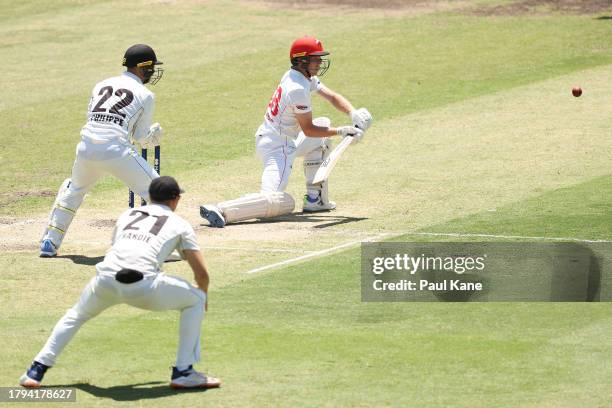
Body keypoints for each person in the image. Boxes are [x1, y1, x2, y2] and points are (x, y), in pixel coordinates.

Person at [20, 176, 221, 389]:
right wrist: (204, 296)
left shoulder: (128, 214)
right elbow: (202, 275)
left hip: (105, 279)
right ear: (176, 199)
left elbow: (120, 248)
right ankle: (184, 372)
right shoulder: (180, 224)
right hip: (143, 287)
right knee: (196, 299)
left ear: (150, 196)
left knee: (75, 316)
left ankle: (36, 370)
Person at [199, 36, 372, 228]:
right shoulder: (296, 88)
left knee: (323, 131)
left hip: (285, 139)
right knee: (276, 201)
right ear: (301, 60)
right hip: (277, 146)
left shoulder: (300, 76)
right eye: (315, 59)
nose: (320, 62)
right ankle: (221, 209)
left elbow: (331, 96)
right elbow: (309, 129)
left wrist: (352, 112)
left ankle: (315, 200)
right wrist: (341, 131)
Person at [39, 44, 165, 257]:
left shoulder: (101, 85)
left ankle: (49, 242)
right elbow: (141, 138)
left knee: (74, 190)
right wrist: (154, 136)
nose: (152, 71)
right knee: (161, 194)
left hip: (86, 149)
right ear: (143, 68)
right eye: (151, 67)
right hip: (117, 151)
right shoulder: (145, 94)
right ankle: (157, 248)